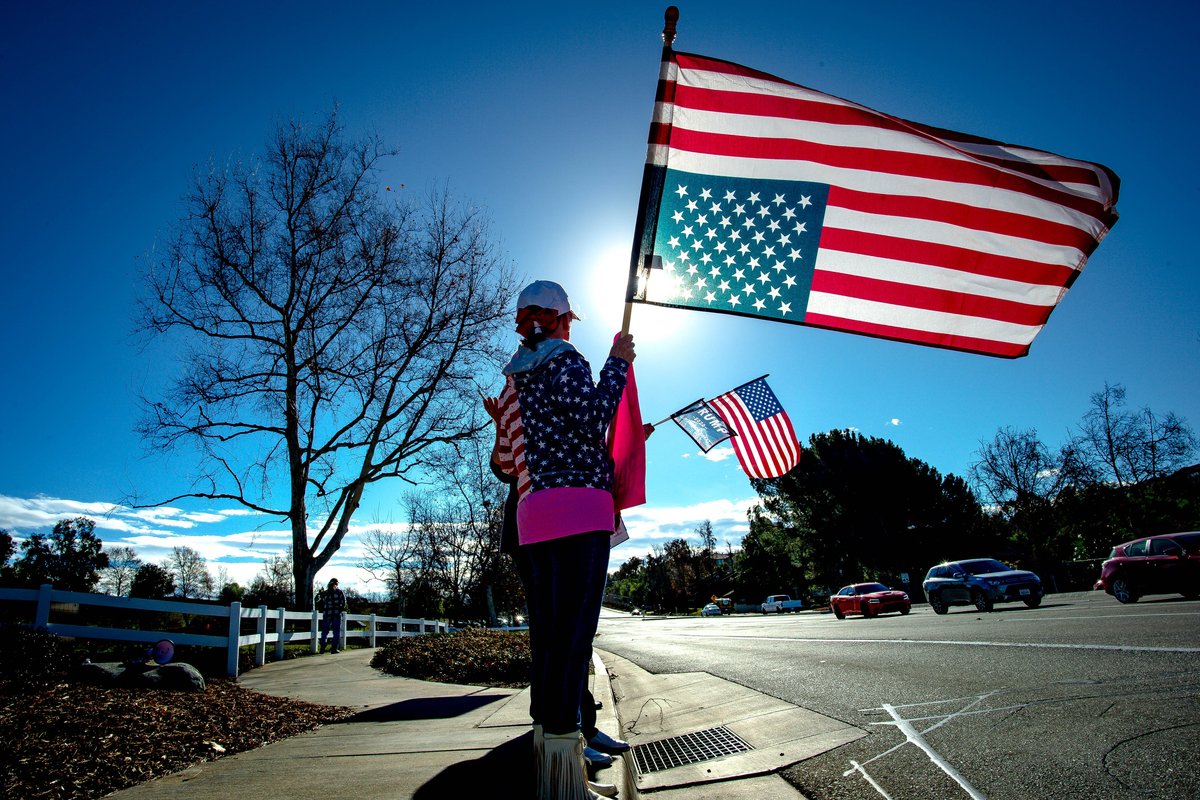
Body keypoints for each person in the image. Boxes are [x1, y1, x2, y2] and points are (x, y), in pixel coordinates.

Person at [492, 280, 634, 800]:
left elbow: (506, 464)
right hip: (577, 508)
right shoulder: (565, 361)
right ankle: (565, 787)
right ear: (560, 319)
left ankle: (556, 776)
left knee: (552, 646)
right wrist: (617, 362)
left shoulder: (509, 383)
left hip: (533, 517)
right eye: (569, 320)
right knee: (573, 647)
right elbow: (596, 417)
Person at [319, 578, 346, 654]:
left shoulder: (325, 593)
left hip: (327, 614)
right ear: (336, 584)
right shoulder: (339, 592)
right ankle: (334, 648)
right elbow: (344, 603)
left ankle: (323, 646)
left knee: (324, 631)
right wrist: (340, 609)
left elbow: (322, 602)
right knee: (336, 632)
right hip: (336, 614)